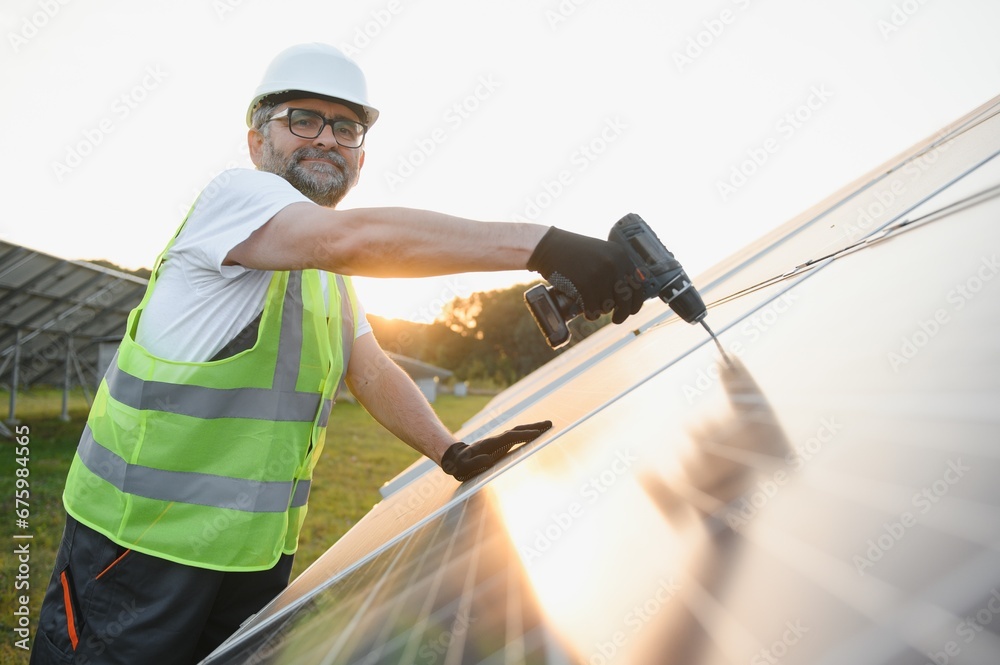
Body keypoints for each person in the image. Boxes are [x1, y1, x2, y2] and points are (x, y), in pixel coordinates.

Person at [31, 43, 645, 664]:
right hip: (137, 552)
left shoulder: (330, 275)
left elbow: (371, 369)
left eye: (345, 127)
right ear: (255, 140)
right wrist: (543, 244)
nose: (326, 138)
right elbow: (348, 238)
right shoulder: (234, 200)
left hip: (254, 557)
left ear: (360, 155)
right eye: (302, 119)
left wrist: (449, 450)